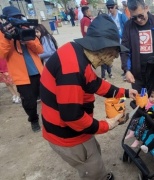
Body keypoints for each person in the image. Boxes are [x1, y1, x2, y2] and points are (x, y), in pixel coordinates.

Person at [40, 14, 138, 180]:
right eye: (115, 51)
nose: (115, 57)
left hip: (75, 129)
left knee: (94, 155)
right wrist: (106, 125)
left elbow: (94, 83)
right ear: (103, 48)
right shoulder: (72, 70)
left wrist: (125, 92)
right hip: (68, 134)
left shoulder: (77, 52)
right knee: (91, 167)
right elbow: (72, 117)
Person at [0, 6, 44, 132]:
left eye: (18, 17)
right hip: (22, 77)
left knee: (48, 98)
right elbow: (1, 55)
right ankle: (34, 120)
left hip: (38, 72)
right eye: (14, 18)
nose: (17, 20)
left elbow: (40, 50)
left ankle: (49, 118)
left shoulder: (27, 30)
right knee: (29, 103)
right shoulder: (2, 35)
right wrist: (8, 38)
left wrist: (28, 40)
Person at [105, 0, 128, 81]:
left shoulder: (121, 15)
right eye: (108, 8)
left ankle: (126, 71)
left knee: (124, 55)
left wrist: (124, 36)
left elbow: (127, 26)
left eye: (111, 7)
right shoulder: (108, 17)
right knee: (111, 55)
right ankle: (108, 72)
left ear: (115, 6)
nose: (110, 9)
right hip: (114, 41)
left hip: (123, 40)